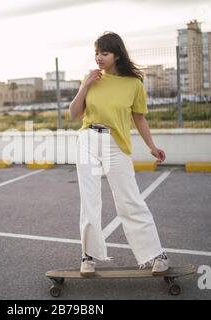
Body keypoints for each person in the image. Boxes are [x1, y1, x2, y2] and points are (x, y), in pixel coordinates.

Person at [69, 31, 170, 277]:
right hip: (88, 140)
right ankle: (88, 256)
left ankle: (156, 255)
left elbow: (139, 118)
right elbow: (74, 113)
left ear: (117, 54)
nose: (99, 57)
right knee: (89, 201)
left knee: (129, 200)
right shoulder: (91, 79)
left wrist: (151, 146)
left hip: (116, 143)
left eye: (104, 53)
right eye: (96, 53)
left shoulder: (133, 84)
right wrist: (85, 86)